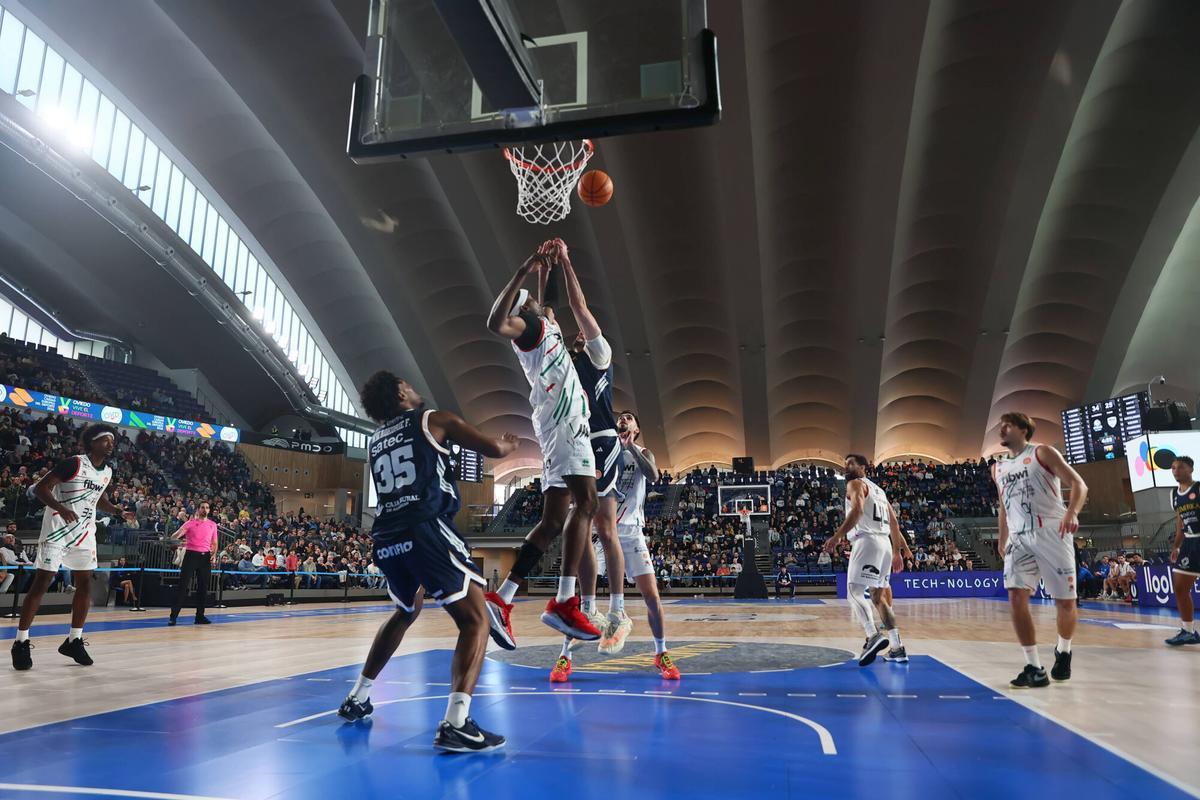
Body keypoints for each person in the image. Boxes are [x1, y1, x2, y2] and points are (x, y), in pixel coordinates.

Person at [337, 370, 518, 753]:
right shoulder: (434, 418)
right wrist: (508, 443)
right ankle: (457, 722)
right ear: (402, 392)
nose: (416, 387)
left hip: (386, 536)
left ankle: (358, 696)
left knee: (406, 610)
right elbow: (495, 450)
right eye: (409, 384)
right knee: (474, 621)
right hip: (425, 528)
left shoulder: (375, 440)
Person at [483, 244, 602, 645]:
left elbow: (550, 301)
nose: (539, 302)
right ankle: (565, 602)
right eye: (531, 300)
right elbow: (494, 322)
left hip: (558, 427)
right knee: (587, 504)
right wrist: (521, 269)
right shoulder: (527, 329)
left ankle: (502, 598)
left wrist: (551, 265)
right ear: (523, 309)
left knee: (553, 521)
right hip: (564, 422)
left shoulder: (545, 322)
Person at [550, 411, 680, 682]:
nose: (623, 418)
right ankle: (565, 657)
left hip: (631, 532)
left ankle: (661, 652)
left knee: (653, 597)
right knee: (582, 597)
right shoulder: (603, 450)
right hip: (601, 531)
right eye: (620, 416)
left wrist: (630, 445)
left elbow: (654, 475)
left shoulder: (642, 451)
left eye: (630, 417)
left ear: (637, 427)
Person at [549, 237, 631, 652]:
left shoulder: (600, 355)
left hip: (601, 441)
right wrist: (543, 270)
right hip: (571, 443)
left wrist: (565, 261)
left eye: (582, 333)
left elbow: (578, 310)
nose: (578, 334)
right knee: (575, 528)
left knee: (603, 525)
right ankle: (590, 605)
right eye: (574, 335)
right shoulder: (564, 364)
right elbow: (550, 319)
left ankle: (618, 607)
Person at [11, 424, 136, 671]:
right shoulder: (73, 464)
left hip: (84, 532)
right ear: (92, 442)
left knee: (85, 583)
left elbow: (99, 497)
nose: (111, 444)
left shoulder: (107, 472)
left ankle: (74, 639)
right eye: (105, 440)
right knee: (42, 583)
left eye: (112, 441)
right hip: (57, 529)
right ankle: (21, 642)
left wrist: (116, 511)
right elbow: (40, 489)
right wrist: (61, 507)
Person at [993, 411, 1088, 688]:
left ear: (1023, 430)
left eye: (1007, 425)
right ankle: (1034, 667)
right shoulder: (997, 467)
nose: (1002, 430)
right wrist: (1002, 537)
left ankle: (1064, 649)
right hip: (1019, 538)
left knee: (1065, 602)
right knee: (1015, 598)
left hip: (1052, 530)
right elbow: (1003, 505)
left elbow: (1079, 484)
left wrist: (1072, 512)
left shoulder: (1042, 453)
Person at [823, 455, 913, 666]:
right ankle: (898, 648)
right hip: (885, 546)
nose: (846, 466)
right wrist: (898, 551)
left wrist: (836, 537)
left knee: (853, 592)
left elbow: (858, 510)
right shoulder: (880, 491)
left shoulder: (855, 484)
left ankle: (872, 635)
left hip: (867, 542)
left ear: (863, 467)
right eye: (845, 463)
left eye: (851, 463)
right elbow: (894, 524)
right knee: (878, 597)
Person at [1166, 456, 1200, 646]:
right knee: (1179, 587)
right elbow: (1180, 521)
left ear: (1191, 469)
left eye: (1180, 467)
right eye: (1173, 468)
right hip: (1189, 543)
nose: (1176, 471)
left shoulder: (1198, 488)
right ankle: (1188, 631)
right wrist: (1177, 546)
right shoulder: (1174, 494)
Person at [168, 501, 219, 625]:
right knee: (183, 586)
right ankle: (173, 616)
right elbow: (175, 536)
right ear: (198, 509)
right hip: (191, 556)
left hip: (205, 557)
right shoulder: (190, 523)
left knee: (203, 588)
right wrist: (177, 540)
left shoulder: (213, 525)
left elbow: (215, 543)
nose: (205, 510)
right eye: (202, 507)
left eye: (207, 508)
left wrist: (214, 555)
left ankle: (199, 616)